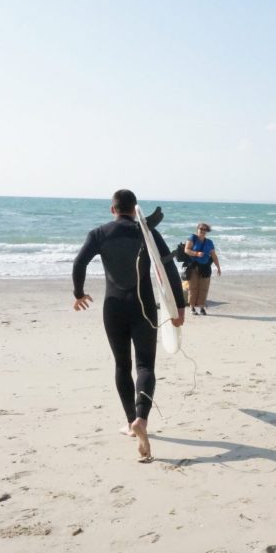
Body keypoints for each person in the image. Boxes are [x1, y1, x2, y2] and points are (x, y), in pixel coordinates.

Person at [72, 189, 186, 463]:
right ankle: (142, 419)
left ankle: (130, 421)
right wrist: (178, 306)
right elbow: (167, 268)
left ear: (112, 209)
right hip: (143, 307)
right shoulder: (146, 233)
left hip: (113, 307)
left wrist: (79, 293)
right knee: (145, 366)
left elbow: (79, 263)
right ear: (136, 209)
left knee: (122, 365)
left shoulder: (99, 234)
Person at [184, 222, 221, 315]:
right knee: (193, 287)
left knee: (204, 288)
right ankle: (192, 307)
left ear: (207, 231)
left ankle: (201, 307)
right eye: (201, 229)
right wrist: (196, 254)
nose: (202, 231)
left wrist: (218, 267)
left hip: (205, 268)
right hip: (193, 267)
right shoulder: (193, 238)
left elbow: (213, 255)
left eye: (205, 229)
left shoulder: (209, 242)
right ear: (197, 229)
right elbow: (186, 249)